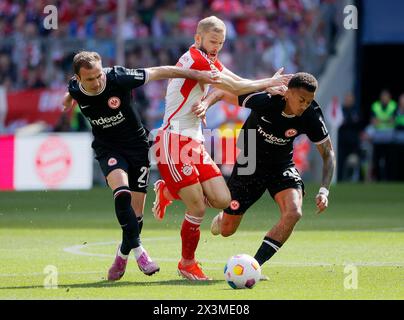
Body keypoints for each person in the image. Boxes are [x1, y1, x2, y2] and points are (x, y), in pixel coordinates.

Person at [151, 16, 292, 281]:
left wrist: (266, 83)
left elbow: (235, 79)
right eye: (213, 41)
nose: (217, 46)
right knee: (198, 208)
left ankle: (168, 190)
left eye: (221, 42)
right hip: (173, 140)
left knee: (222, 200)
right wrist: (269, 83)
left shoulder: (209, 59)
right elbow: (235, 87)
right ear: (198, 39)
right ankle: (187, 263)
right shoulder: (197, 59)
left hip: (195, 140)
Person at [62, 50, 220, 282]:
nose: (96, 83)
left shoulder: (119, 78)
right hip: (108, 149)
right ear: (78, 79)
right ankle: (140, 252)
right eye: (90, 79)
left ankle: (122, 254)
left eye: (98, 76)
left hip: (137, 148)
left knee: (136, 216)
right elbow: (71, 90)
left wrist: (195, 73)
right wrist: (68, 99)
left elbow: (161, 71)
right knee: (121, 193)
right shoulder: (75, 87)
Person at [197, 72, 336, 270]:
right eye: (301, 100)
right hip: (250, 161)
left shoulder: (311, 115)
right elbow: (221, 92)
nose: (305, 105)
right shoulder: (266, 100)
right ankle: (223, 217)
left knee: (294, 212)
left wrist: (324, 190)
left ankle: (254, 266)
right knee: (227, 230)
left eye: (309, 101)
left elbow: (328, 153)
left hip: (282, 164)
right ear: (288, 93)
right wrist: (204, 105)